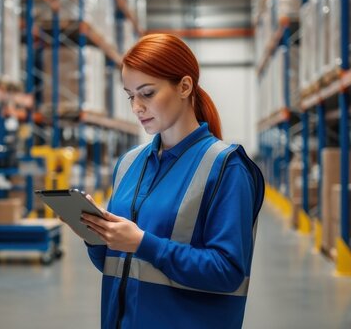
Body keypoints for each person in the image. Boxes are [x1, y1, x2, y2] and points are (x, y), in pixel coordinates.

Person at [78, 34, 265, 329]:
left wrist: (143, 243)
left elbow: (228, 271)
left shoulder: (226, 167)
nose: (136, 107)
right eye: (130, 96)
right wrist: (94, 234)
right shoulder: (129, 164)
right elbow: (113, 265)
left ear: (185, 86)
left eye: (147, 93)